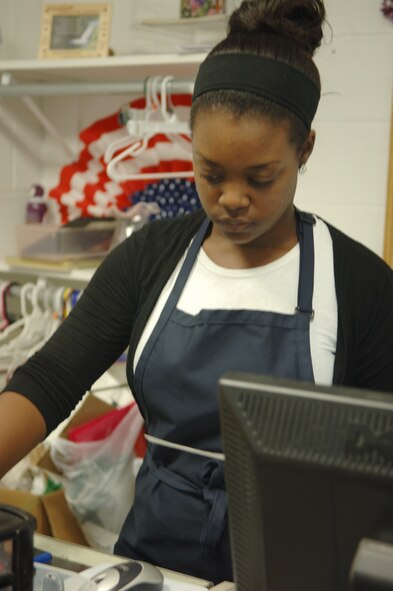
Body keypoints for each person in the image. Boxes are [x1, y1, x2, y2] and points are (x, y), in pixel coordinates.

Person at [1, 0, 393, 584]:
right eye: (210, 173)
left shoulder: (358, 284)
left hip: (295, 565)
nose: (232, 198)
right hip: (154, 559)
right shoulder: (148, 258)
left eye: (260, 178)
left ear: (304, 151)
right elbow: (50, 380)